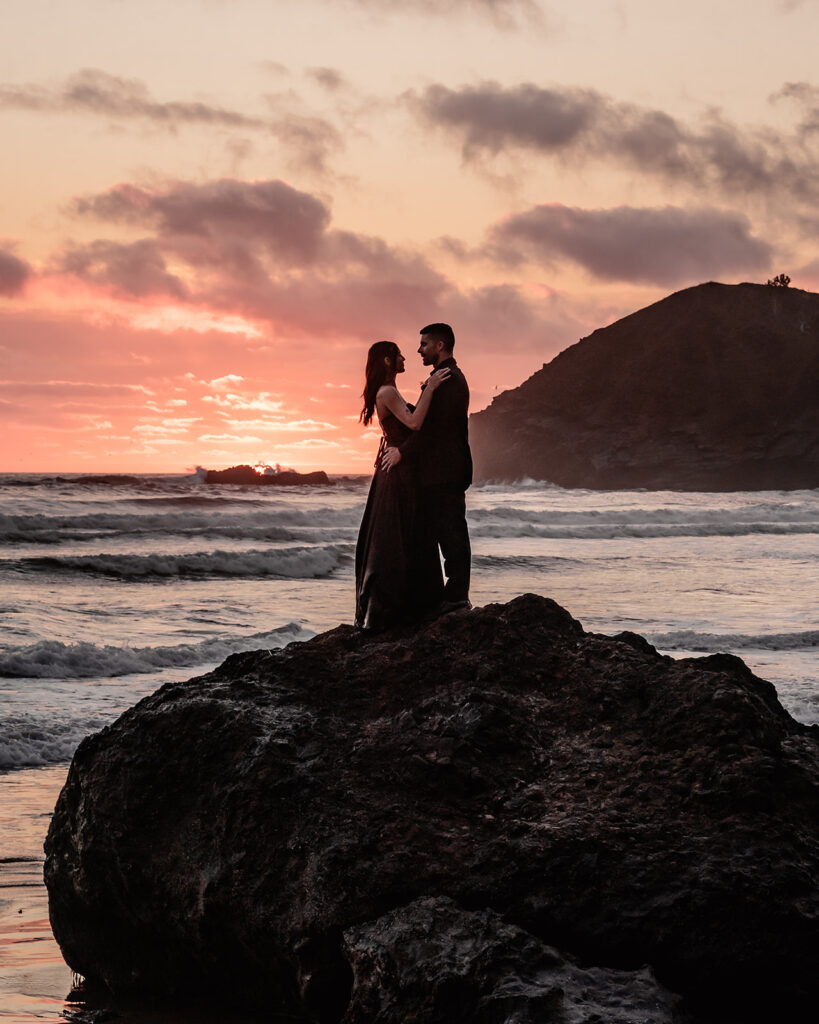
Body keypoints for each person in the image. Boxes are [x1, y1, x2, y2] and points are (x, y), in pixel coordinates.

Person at [355, 340, 451, 630]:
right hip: (398, 474)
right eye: (398, 354)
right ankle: (400, 607)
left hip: (398, 469)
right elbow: (414, 423)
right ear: (387, 360)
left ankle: (410, 604)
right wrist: (431, 388)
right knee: (399, 534)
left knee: (404, 533)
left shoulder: (388, 391)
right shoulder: (386, 392)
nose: (404, 357)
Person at [380, 323, 472, 613]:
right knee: (437, 533)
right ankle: (441, 596)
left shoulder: (448, 378)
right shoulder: (441, 377)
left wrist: (402, 453)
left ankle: (457, 597)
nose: (418, 350)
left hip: (445, 470)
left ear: (440, 346)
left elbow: (432, 429)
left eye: (424, 344)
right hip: (437, 471)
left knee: (452, 533)